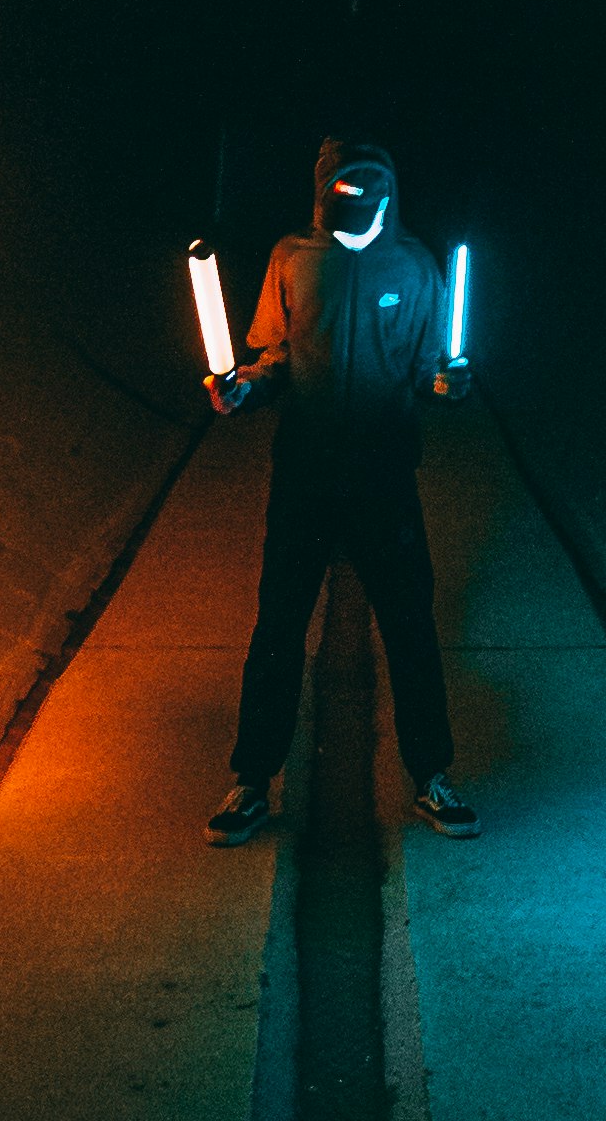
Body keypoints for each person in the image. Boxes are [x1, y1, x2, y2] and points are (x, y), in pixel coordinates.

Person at [202, 135, 477, 846]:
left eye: (365, 198)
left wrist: (445, 386)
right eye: (338, 201)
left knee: (410, 625)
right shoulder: (294, 259)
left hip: (384, 477)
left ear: (387, 195)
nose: (351, 214)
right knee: (279, 628)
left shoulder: (414, 265)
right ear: (322, 199)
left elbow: (427, 368)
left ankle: (432, 776)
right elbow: (278, 357)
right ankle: (252, 780)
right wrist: (243, 389)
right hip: (306, 476)